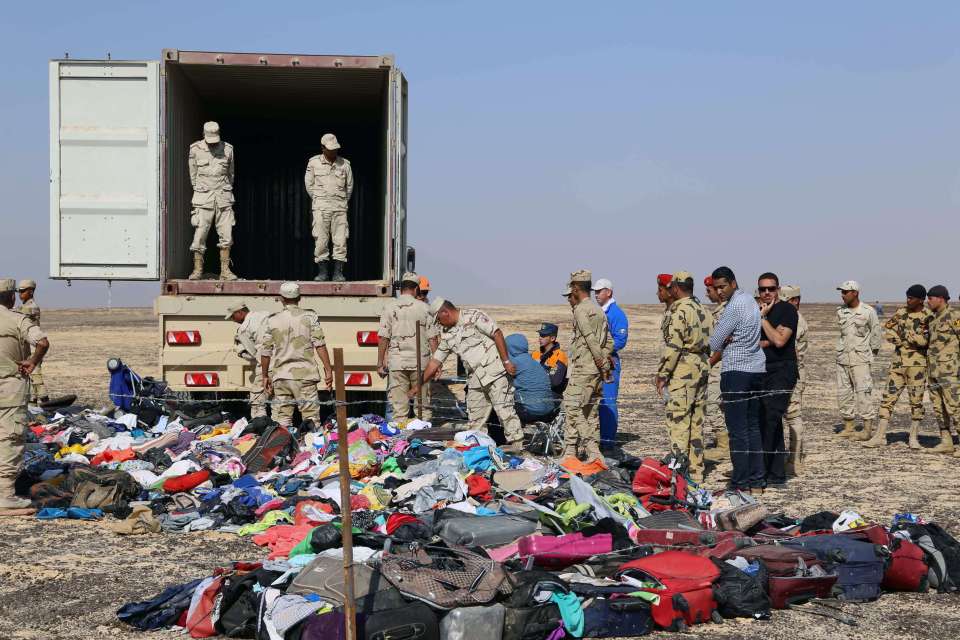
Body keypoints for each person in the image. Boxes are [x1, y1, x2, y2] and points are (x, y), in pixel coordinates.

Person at [413, 299, 524, 451]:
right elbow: (435, 362)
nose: (439, 323)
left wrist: (506, 361)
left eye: (439, 319)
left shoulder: (474, 316)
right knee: (475, 420)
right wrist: (418, 386)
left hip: (495, 373)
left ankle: (517, 447)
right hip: (475, 380)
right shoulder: (447, 335)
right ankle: (480, 450)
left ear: (445, 312)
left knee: (505, 411)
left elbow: (496, 333)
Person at [708, 266, 766, 493]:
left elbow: (714, 342)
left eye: (723, 286)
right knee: (752, 427)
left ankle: (740, 482)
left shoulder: (734, 305)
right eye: (716, 287)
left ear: (733, 283)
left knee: (738, 430)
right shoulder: (751, 301)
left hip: (737, 371)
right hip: (756, 369)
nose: (720, 291)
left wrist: (725, 339)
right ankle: (757, 481)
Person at [655, 271, 710, 482]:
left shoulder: (680, 311)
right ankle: (696, 472)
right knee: (697, 423)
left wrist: (662, 374)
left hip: (683, 370)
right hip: (701, 368)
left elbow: (673, 347)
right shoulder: (702, 309)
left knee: (678, 422)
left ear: (675, 288)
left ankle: (679, 474)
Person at [0, 278, 49, 512]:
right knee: (10, 439)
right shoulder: (17, 319)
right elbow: (42, 342)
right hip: (10, 388)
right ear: (10, 296)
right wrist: (32, 362)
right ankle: (5, 495)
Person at [864, 285, 931, 449]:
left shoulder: (928, 317)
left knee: (916, 402)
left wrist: (914, 338)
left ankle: (913, 438)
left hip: (917, 366)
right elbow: (888, 329)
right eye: (907, 297)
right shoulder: (901, 312)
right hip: (898, 363)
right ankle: (879, 436)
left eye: (912, 298)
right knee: (888, 398)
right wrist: (898, 340)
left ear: (921, 300)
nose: (908, 300)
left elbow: (927, 341)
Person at [259, 282, 333, 428]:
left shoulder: (272, 320)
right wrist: (328, 369)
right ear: (300, 297)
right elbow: (320, 344)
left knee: (282, 421)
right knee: (311, 420)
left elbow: (265, 351)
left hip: (281, 377)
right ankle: (313, 448)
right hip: (305, 376)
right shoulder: (310, 317)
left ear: (281, 298)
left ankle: (282, 448)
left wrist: (265, 375)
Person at [562, 270, 613, 462]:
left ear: (576, 288)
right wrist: (604, 363)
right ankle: (572, 453)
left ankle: (592, 451)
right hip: (595, 371)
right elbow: (609, 342)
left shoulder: (581, 310)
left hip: (584, 368)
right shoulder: (599, 310)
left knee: (572, 407)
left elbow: (591, 339)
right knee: (589, 412)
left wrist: (601, 362)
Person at [377, 272, 439, 422]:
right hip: (421, 364)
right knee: (423, 409)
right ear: (416, 289)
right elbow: (433, 339)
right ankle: (422, 441)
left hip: (397, 363)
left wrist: (380, 362)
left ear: (400, 289)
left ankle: (400, 443)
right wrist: (437, 364)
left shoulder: (389, 308)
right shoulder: (425, 309)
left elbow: (383, 337)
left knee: (399, 411)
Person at [756, 273, 799, 488]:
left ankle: (764, 472)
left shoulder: (787, 310)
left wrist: (763, 320)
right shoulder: (756, 310)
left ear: (778, 289)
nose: (766, 293)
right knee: (765, 419)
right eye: (762, 289)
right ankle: (776, 473)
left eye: (770, 289)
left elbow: (779, 340)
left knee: (772, 418)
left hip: (782, 370)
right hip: (761, 371)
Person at [188, 122, 237, 281]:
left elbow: (231, 174)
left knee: (227, 235)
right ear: (203, 134)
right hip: (204, 199)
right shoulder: (195, 149)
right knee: (200, 235)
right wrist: (203, 190)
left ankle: (225, 271)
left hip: (223, 198)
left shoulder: (228, 149)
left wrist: (222, 189)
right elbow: (193, 176)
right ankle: (197, 270)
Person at [835, 280, 881, 439]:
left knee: (864, 394)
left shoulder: (868, 311)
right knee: (844, 393)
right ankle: (849, 427)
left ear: (855, 293)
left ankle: (867, 430)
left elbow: (876, 335)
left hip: (860, 359)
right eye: (841, 292)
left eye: (845, 292)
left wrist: (869, 355)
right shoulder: (840, 311)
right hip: (842, 358)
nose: (842, 295)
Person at [305, 133, 354, 282]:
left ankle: (338, 273)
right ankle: (323, 273)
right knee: (321, 240)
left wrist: (340, 201)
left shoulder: (345, 164)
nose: (333, 152)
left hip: (339, 208)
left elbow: (349, 187)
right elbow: (309, 185)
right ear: (323, 148)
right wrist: (321, 200)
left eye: (335, 149)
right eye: (330, 149)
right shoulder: (313, 163)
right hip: (321, 207)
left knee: (340, 241)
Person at [922, 285, 960, 456]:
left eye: (930, 298)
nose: (927, 302)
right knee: (938, 407)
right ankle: (946, 441)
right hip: (934, 372)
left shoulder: (955, 316)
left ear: (941, 298)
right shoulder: (932, 319)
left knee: (955, 406)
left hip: (951, 372)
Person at [592, 278, 628, 449]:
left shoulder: (616, 314)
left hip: (609, 363)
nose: (596, 294)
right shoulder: (600, 312)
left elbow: (621, 340)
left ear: (609, 292)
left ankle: (608, 441)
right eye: (595, 291)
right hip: (596, 362)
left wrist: (603, 351)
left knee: (608, 400)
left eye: (599, 291)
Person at [779, 285, 808, 475]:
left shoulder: (796, 320)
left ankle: (794, 459)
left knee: (793, 415)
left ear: (795, 301)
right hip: (783, 373)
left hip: (792, 374)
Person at [227, 302, 272, 419]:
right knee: (281, 400)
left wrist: (240, 350)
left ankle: (260, 424)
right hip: (284, 361)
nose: (233, 320)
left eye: (233, 317)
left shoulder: (244, 328)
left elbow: (252, 353)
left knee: (257, 400)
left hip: (266, 364)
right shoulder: (265, 315)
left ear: (240, 313)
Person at [703, 275, 729, 463]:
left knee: (712, 404)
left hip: (719, 365)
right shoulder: (719, 311)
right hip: (717, 363)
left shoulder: (726, 312)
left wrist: (709, 363)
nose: (708, 294)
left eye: (709, 290)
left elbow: (723, 345)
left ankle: (724, 446)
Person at [505, 333, 557, 422]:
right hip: (549, 412)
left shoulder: (513, 363)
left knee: (499, 407)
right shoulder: (534, 362)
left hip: (530, 412)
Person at [16, 280, 47, 404]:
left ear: (31, 291)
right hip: (27, 346)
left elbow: (19, 314)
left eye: (23, 291)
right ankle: (33, 402)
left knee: (36, 374)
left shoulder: (32, 307)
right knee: (30, 376)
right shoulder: (23, 306)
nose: (20, 294)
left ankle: (45, 401)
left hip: (35, 345)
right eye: (19, 291)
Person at [531, 323, 568, 395]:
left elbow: (554, 382)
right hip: (535, 392)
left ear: (552, 338)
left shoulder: (560, 356)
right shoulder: (535, 354)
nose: (540, 338)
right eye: (540, 335)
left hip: (551, 396)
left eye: (543, 336)